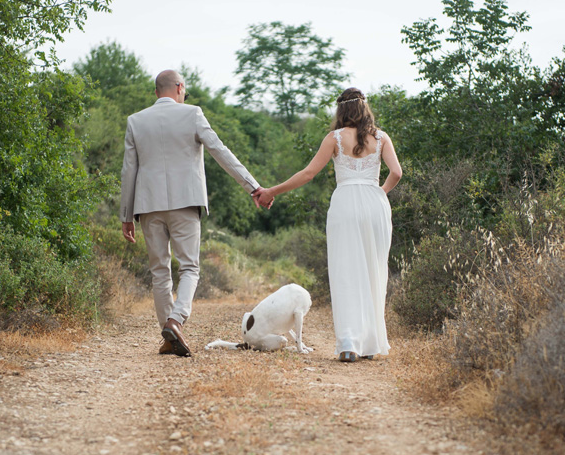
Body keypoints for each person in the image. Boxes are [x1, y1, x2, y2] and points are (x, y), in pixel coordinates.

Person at [120, 69, 272, 357]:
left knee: (159, 272)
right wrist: (253, 186)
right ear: (180, 87)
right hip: (185, 203)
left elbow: (129, 171)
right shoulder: (192, 114)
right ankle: (176, 321)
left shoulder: (135, 121)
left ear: (156, 92)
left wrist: (125, 215)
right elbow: (220, 150)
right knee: (189, 267)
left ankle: (168, 335)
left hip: (148, 206)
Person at [258, 88, 402, 362]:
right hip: (375, 204)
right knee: (374, 272)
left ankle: (349, 343)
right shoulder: (381, 137)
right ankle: (370, 344)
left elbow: (309, 173)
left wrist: (272, 191)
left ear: (341, 111)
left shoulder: (334, 138)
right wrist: (378, 193)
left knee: (346, 272)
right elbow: (396, 173)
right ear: (364, 108)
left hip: (345, 203)